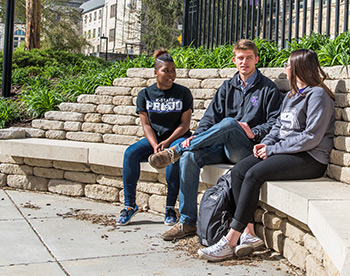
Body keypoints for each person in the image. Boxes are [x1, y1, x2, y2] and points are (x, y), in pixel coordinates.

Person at [197, 49, 336, 261]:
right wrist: (265, 143)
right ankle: (250, 233)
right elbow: (278, 127)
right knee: (239, 171)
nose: (286, 69)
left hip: (310, 158)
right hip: (284, 150)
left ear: (299, 67)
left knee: (254, 175)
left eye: (289, 65)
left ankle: (230, 239)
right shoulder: (292, 95)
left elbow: (311, 138)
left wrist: (272, 150)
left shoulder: (318, 95)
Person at [148, 39, 283, 241]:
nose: (244, 62)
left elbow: (275, 123)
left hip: (247, 150)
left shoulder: (268, 89)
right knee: (189, 157)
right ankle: (187, 221)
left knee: (230, 123)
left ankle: (176, 150)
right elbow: (210, 118)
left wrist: (253, 131)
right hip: (221, 147)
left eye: (248, 58)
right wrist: (195, 137)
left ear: (256, 59)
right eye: (240, 58)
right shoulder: (227, 87)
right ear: (234, 60)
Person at [116, 50, 193, 226]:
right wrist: (155, 144)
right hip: (155, 140)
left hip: (177, 138)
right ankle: (129, 206)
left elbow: (185, 125)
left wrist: (166, 143)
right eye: (166, 70)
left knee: (172, 156)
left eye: (173, 70)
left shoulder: (183, 93)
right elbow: (146, 125)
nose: (171, 74)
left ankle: (169, 208)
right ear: (155, 72)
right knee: (130, 154)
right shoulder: (145, 95)